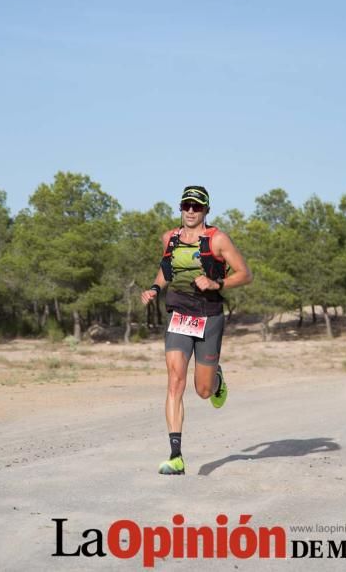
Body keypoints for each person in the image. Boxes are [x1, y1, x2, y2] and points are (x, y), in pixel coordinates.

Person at [141, 185, 252, 475]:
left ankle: (215, 378)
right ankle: (175, 455)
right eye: (186, 205)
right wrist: (154, 288)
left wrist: (218, 284)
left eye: (197, 206)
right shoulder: (170, 238)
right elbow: (167, 269)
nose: (191, 211)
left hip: (209, 316)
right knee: (175, 381)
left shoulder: (218, 240)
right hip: (179, 315)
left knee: (202, 391)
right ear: (180, 208)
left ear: (206, 210)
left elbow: (245, 274)